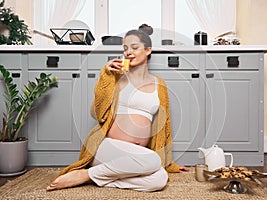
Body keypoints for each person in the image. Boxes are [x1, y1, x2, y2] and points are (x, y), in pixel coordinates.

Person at [46, 24, 189, 192]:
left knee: (160, 178)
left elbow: (164, 127)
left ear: (148, 50)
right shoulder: (115, 78)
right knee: (153, 161)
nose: (128, 52)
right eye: (125, 48)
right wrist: (106, 76)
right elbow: (97, 113)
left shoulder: (159, 84)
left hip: (136, 153)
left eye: (134, 47)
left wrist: (168, 162)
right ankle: (86, 174)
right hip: (106, 147)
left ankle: (91, 176)